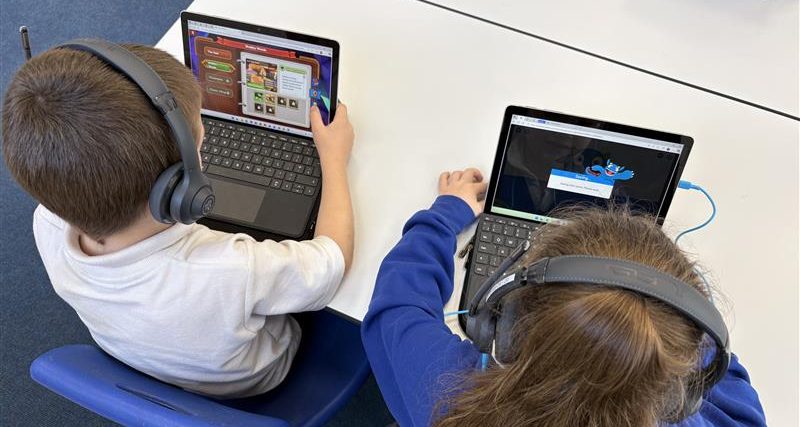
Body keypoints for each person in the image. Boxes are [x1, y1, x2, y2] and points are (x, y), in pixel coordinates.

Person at [2, 43, 354, 398]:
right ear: (176, 188)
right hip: (254, 378)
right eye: (201, 141)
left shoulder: (46, 223)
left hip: (139, 355)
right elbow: (333, 258)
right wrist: (333, 159)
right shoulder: (232, 268)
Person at [361, 168, 765, 426]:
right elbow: (728, 379)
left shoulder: (447, 393)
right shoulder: (728, 417)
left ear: (506, 328)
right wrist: (681, 310)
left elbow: (398, 303)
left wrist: (447, 211)